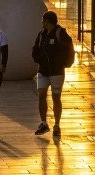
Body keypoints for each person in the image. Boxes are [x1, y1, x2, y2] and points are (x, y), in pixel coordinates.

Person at [32, 11, 74, 139]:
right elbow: (35, 49)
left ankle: (57, 125)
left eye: (43, 20)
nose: (41, 22)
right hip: (43, 70)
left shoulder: (60, 33)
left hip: (57, 72)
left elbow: (70, 48)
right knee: (41, 95)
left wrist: (66, 64)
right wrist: (37, 58)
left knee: (56, 97)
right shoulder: (41, 34)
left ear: (48, 21)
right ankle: (43, 122)